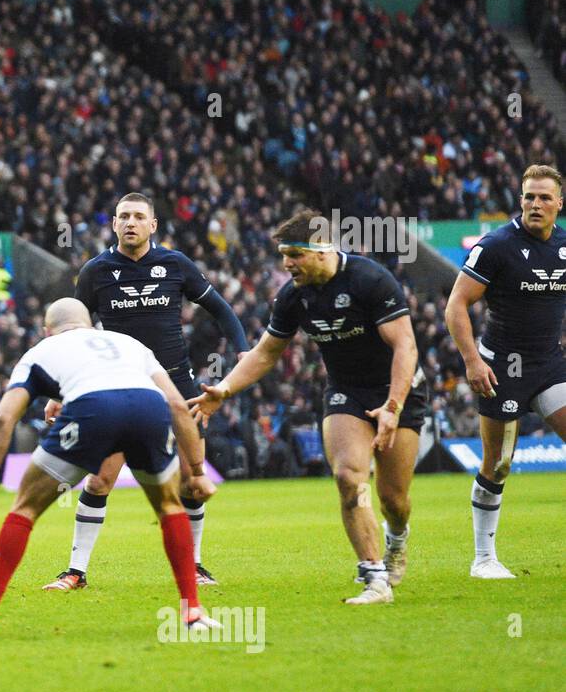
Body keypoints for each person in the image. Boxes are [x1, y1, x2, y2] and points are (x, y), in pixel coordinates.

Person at [190, 209, 425, 605]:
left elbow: (406, 345)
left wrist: (393, 406)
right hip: (345, 393)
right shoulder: (293, 296)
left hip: (396, 390)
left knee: (394, 500)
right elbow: (267, 352)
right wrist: (225, 389)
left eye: (293, 255)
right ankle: (375, 578)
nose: (286, 264)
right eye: (283, 255)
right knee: (350, 477)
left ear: (321, 250)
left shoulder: (371, 280)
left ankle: (396, 540)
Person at [0, 299, 220, 636]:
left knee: (26, 507)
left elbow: (3, 419)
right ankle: (193, 613)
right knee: (169, 506)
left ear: (47, 330)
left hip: (93, 408)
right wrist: (196, 472)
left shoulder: (41, 351)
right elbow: (178, 404)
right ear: (90, 324)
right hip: (148, 407)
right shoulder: (130, 344)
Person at [47, 192, 248, 592]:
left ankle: (194, 565)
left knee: (193, 480)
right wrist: (59, 388)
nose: (130, 223)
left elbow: (222, 310)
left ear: (153, 225)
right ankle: (75, 570)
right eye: (123, 217)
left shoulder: (175, 264)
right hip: (119, 385)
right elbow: (76, 331)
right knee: (101, 478)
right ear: (115, 224)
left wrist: (244, 352)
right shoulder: (95, 271)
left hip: (178, 385)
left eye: (139, 216)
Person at [444, 164, 566, 579]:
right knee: (497, 464)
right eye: (529, 196)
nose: (535, 204)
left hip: (550, 364)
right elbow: (456, 305)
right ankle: (483, 559)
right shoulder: (496, 246)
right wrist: (473, 362)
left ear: (559, 204)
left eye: (544, 197)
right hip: (502, 367)